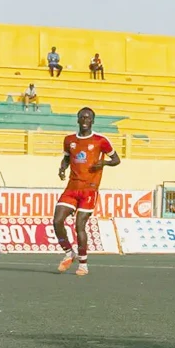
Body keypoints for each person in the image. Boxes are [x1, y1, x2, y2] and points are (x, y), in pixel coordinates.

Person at [54, 108, 120, 276]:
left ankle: (83, 264)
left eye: (88, 117)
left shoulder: (100, 141)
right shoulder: (69, 140)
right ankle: (69, 252)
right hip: (71, 188)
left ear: (92, 121)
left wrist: (103, 164)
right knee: (57, 220)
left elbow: (116, 159)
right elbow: (67, 158)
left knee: (79, 225)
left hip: (89, 189)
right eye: (82, 117)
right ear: (77, 119)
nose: (85, 120)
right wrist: (62, 168)